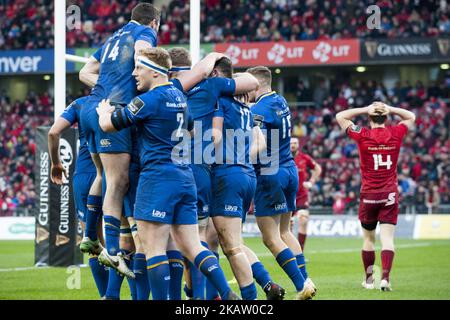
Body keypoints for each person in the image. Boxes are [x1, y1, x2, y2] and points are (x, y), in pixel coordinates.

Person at [97, 47, 239, 300]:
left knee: (153, 249)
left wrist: (103, 113)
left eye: (138, 68)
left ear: (154, 71)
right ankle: (227, 292)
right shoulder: (179, 95)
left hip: (157, 179)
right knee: (193, 245)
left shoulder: (147, 101)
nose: (134, 73)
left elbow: (108, 126)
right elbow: (192, 130)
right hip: (184, 178)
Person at [79, 2, 160, 279]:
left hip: (92, 106)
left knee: (103, 174)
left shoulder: (114, 36)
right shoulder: (146, 34)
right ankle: (112, 250)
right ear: (154, 23)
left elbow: (85, 72)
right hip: (112, 109)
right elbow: (140, 53)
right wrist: (140, 80)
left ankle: (91, 235)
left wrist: (106, 87)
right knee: (119, 181)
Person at [246, 66, 316, 300]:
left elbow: (261, 143)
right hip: (290, 169)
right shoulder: (281, 101)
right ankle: (306, 279)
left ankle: (300, 285)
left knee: (270, 237)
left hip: (269, 174)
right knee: (285, 230)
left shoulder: (259, 109)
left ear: (255, 85)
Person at [336, 101, 416, 291]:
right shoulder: (396, 133)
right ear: (386, 117)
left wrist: (365, 108)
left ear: (370, 118)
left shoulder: (363, 134)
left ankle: (370, 280)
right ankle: (385, 279)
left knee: (369, 239)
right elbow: (411, 116)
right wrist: (392, 108)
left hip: (369, 194)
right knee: (387, 239)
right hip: (389, 194)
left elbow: (341, 116)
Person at [48, 96, 108, 298]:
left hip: (85, 174)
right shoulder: (125, 95)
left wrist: (56, 163)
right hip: (117, 170)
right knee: (128, 236)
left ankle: (107, 295)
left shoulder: (80, 103)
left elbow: (53, 132)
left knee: (92, 240)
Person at [290, 136, 322, 251]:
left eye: (295, 143)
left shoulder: (304, 158)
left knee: (303, 220)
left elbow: (317, 168)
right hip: (287, 195)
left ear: (298, 145)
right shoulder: (283, 157)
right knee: (288, 225)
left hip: (302, 195)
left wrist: (311, 182)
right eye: (291, 143)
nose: (293, 145)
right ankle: (290, 251)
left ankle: (300, 252)